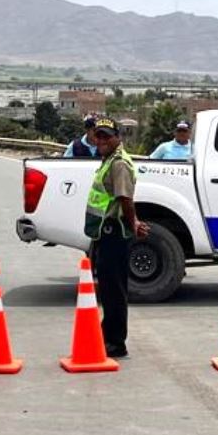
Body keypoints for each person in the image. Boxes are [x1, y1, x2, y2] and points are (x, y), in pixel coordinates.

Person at [84, 117, 146, 359]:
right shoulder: (108, 161)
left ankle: (115, 342)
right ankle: (107, 335)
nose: (101, 140)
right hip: (104, 232)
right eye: (98, 136)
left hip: (115, 233)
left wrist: (133, 224)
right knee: (107, 289)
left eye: (106, 136)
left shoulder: (118, 164)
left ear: (117, 138)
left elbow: (125, 199)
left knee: (114, 291)